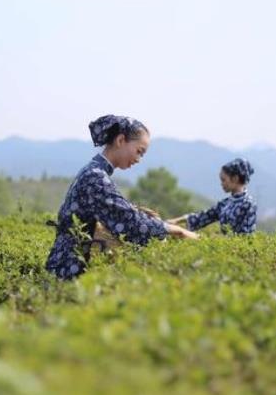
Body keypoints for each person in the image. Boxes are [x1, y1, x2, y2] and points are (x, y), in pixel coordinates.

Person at [45, 114, 198, 280]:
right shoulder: (95, 177)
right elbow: (128, 221)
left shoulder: (95, 171)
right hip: (68, 266)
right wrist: (173, 229)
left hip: (69, 261)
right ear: (120, 141)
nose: (138, 159)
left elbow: (121, 210)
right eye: (139, 151)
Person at [168, 158, 257, 235]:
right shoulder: (226, 203)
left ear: (235, 178)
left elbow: (246, 235)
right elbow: (203, 216)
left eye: (223, 180)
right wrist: (176, 221)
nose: (221, 184)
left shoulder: (248, 203)